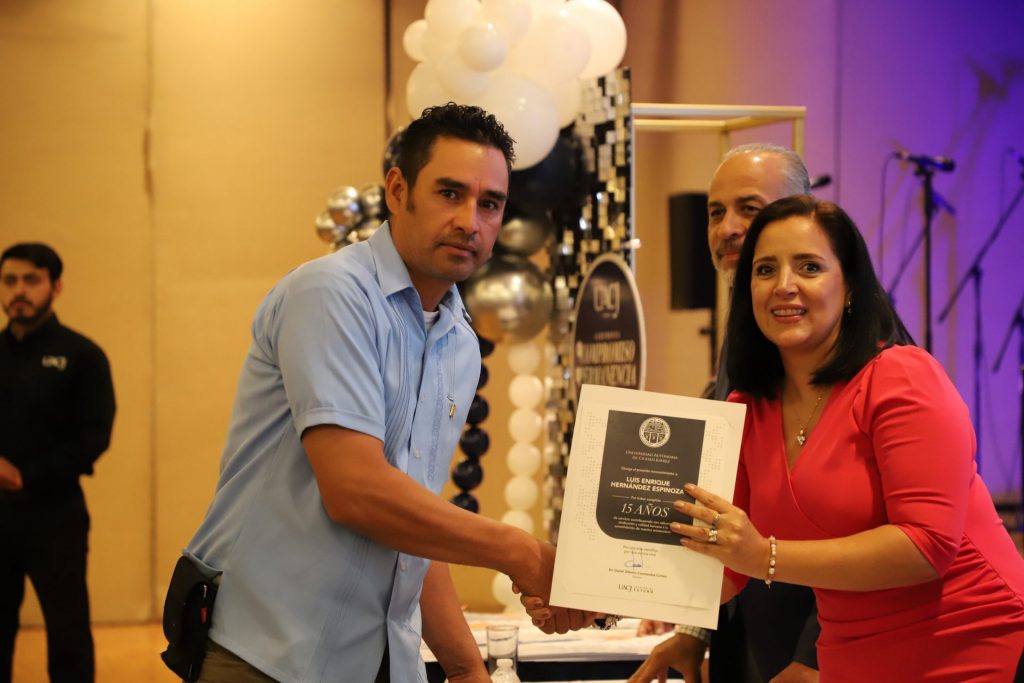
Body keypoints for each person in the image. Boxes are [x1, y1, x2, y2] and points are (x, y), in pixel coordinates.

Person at [174, 103, 586, 683]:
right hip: (263, 656)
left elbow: (410, 526)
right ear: (397, 190)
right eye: (450, 193)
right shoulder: (331, 294)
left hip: (376, 663)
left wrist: (465, 668)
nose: (470, 221)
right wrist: (521, 553)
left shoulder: (459, 341)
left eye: (489, 203)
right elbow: (357, 492)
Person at [670, 195, 1024, 681]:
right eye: (765, 269)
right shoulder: (748, 408)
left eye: (809, 267)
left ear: (851, 288)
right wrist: (599, 593)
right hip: (855, 658)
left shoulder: (900, 377)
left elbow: (927, 545)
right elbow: (726, 570)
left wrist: (765, 555)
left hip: (972, 642)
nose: (784, 285)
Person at [631, 144, 822, 683]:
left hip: (820, 644)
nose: (728, 228)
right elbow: (728, 498)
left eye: (749, 209)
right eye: (716, 212)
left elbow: (869, 521)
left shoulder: (851, 345)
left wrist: (816, 658)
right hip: (750, 634)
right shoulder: (746, 336)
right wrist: (693, 630)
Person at [0, 242, 116, 683]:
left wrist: (25, 475)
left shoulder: (82, 355)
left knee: (68, 635)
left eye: (31, 280)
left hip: (55, 517)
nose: (19, 291)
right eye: (9, 280)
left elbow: (94, 436)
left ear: (56, 286)